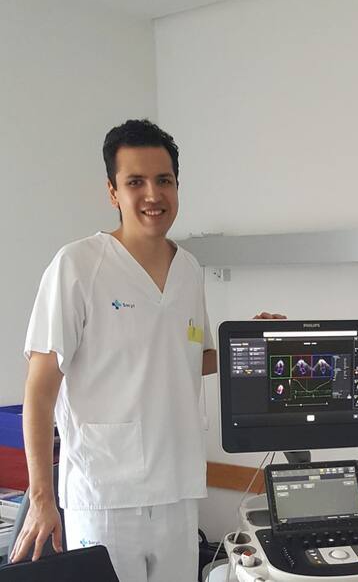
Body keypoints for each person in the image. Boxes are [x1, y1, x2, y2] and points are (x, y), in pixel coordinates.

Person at [11, 119, 283, 581]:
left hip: (177, 486)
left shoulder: (189, 269)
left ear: (177, 186)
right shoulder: (78, 265)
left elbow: (189, 358)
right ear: (113, 192)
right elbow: (39, 390)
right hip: (106, 494)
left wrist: (248, 341)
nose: (152, 195)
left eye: (164, 180)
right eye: (135, 182)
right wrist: (41, 498)